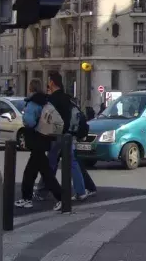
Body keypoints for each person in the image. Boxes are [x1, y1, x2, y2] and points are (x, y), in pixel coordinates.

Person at [41, 72, 90, 200]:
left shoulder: (52, 100)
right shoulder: (67, 98)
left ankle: (44, 190)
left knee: (50, 163)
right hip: (69, 135)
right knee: (72, 163)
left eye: (49, 82)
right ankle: (80, 191)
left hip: (57, 135)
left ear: (52, 82)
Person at [15, 79, 63, 210]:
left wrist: (24, 118)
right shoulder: (45, 101)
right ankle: (27, 198)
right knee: (33, 172)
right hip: (44, 138)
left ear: (31, 88)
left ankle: (60, 197)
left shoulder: (33, 103)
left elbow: (29, 122)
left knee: (43, 173)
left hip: (36, 140)